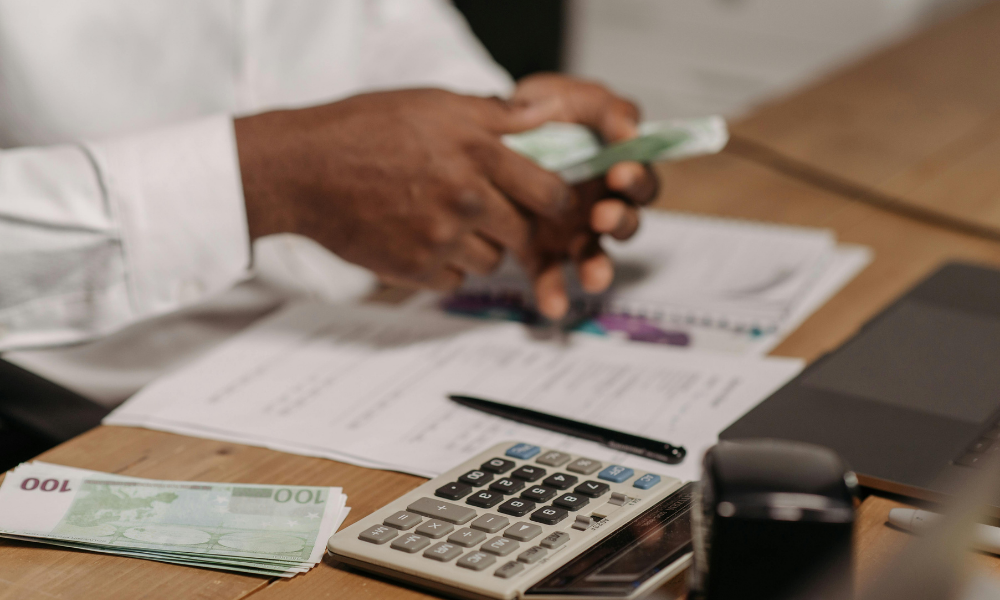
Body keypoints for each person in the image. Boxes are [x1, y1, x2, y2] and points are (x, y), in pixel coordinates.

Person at [0, 0, 657, 407]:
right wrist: (261, 177)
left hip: (376, 335)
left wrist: (513, 144)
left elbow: (379, 22)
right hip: (92, 401)